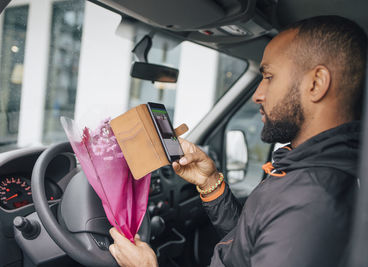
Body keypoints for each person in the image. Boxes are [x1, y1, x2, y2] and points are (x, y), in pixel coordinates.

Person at [108, 15, 367, 267]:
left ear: (316, 83)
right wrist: (210, 183)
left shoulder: (310, 202)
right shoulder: (308, 172)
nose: (258, 94)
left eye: (268, 76)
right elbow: (250, 240)